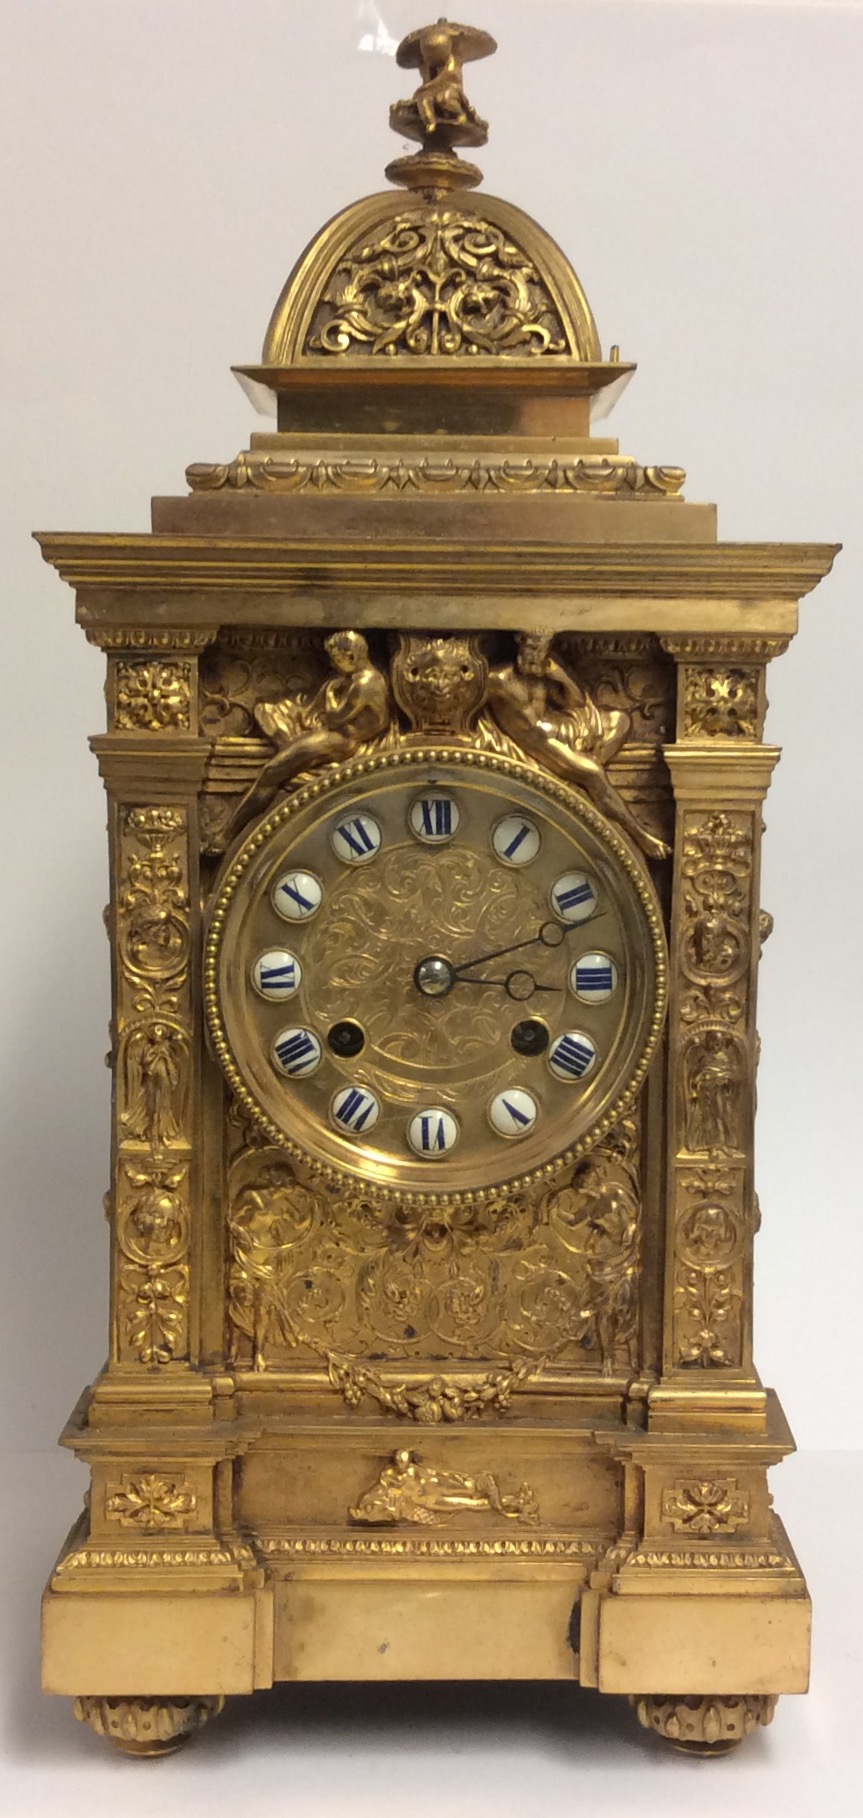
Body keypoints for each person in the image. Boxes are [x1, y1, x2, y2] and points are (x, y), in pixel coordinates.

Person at [487, 633, 669, 860]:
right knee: (593, 773)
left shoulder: (543, 674)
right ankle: (639, 834)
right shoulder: (499, 678)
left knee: (620, 722)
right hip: (540, 742)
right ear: (519, 644)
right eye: (530, 649)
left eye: (540, 651)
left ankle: (577, 790)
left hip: (558, 728)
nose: (533, 657)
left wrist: (557, 672)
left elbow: (576, 701)